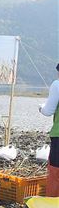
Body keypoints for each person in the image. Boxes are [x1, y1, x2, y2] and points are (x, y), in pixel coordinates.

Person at [39, 63, 59, 196]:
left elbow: (48, 111)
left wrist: (41, 107)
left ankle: (52, 205)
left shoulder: (57, 84)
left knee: (55, 172)